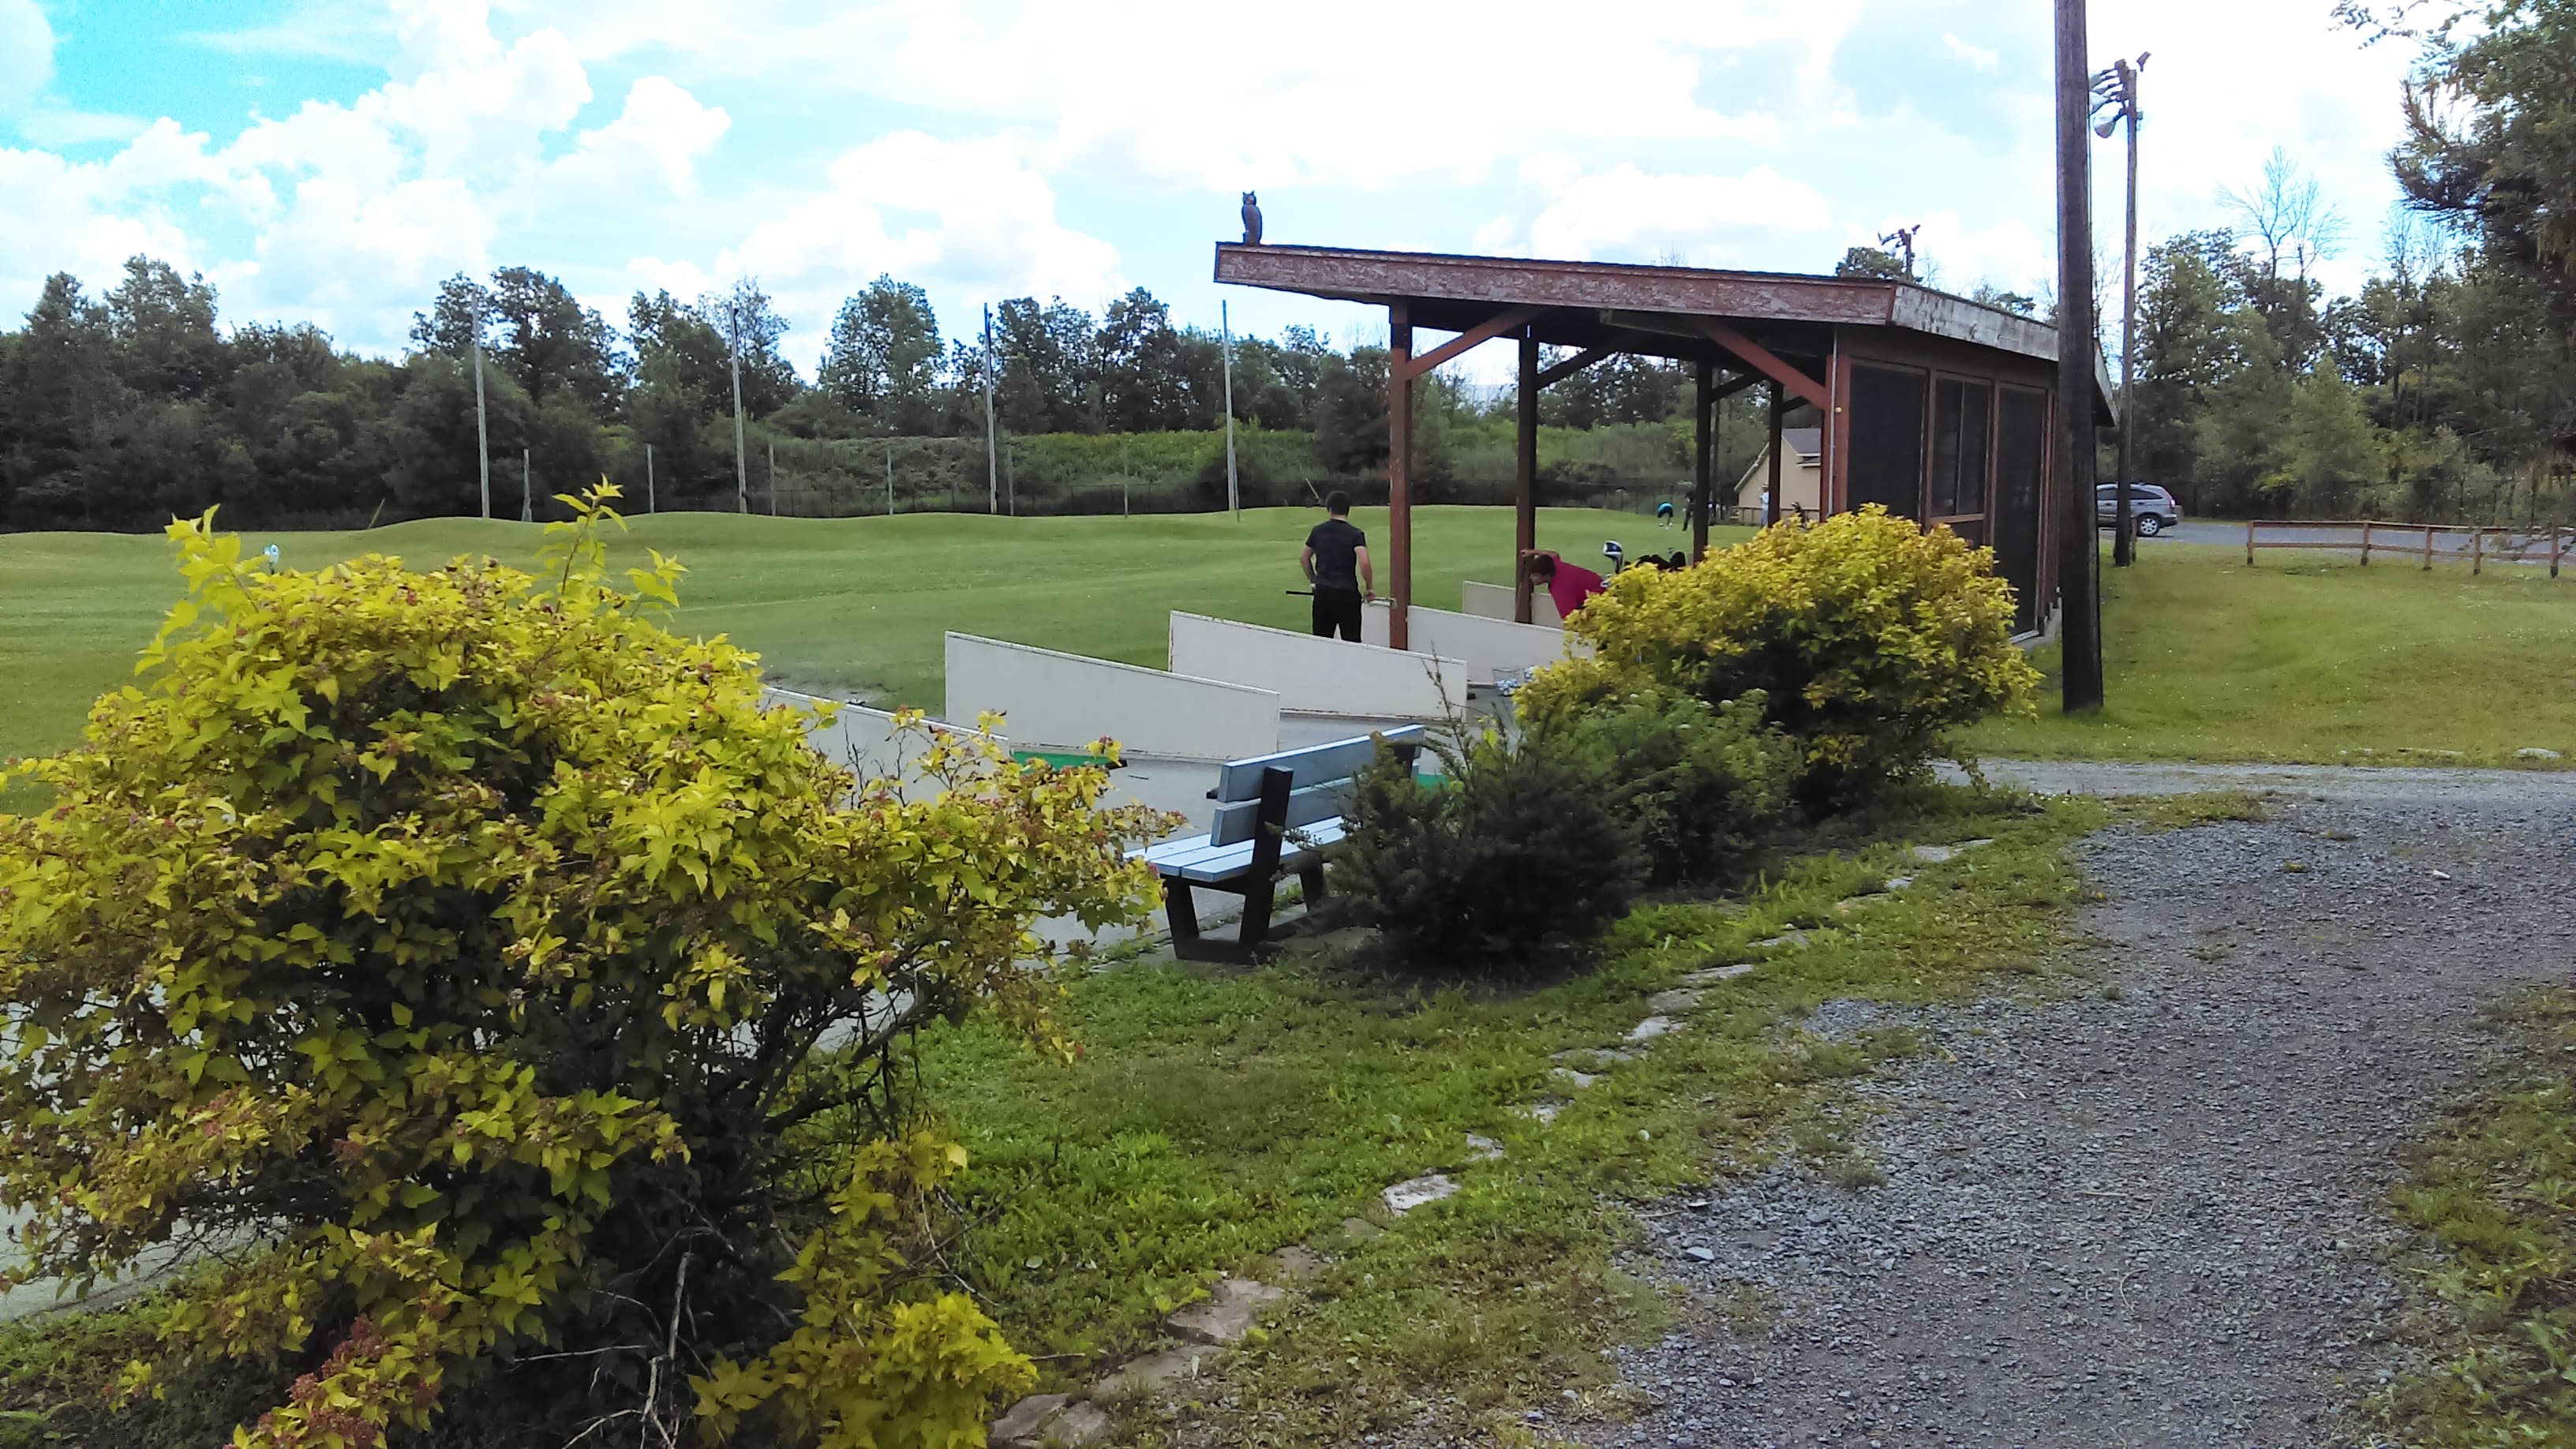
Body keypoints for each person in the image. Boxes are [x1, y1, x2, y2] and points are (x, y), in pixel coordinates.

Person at [1301, 490, 1373, 641]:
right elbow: (1365, 562)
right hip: (1347, 593)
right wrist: (1369, 588)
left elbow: (1304, 558)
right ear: (1348, 510)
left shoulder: (1318, 531)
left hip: (1323, 592)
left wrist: (1314, 580)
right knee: (1351, 640)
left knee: (1322, 641)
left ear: (1329, 509)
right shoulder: (1355, 534)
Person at [1522, 549, 1608, 620]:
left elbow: (1570, 619)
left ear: (1547, 575)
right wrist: (1532, 552)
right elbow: (1553, 554)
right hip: (1599, 584)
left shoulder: (1560, 590)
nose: (1531, 578)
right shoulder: (1554, 564)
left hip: (1601, 602)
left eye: (1535, 575)